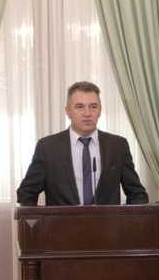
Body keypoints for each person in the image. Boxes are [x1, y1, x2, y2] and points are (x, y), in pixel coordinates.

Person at [17, 81, 148, 206]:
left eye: (93, 106)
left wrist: (126, 219)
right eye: (79, 107)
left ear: (100, 110)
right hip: (61, 222)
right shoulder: (47, 148)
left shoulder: (118, 146)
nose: (87, 113)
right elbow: (26, 193)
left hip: (108, 222)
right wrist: (40, 220)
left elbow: (137, 194)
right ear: (68, 111)